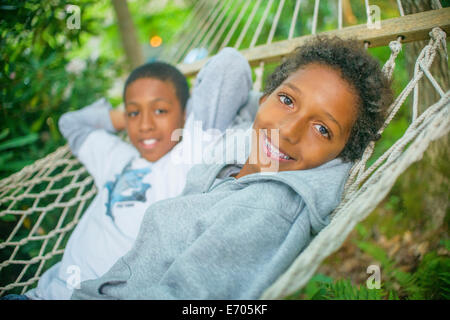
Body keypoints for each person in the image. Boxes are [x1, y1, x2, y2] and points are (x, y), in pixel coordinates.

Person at [71, 35, 394, 300]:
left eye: (323, 130)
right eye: (287, 100)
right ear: (264, 97)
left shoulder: (269, 207)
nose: (288, 131)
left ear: (340, 155)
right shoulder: (238, 156)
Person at [22, 48, 254, 300]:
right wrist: (135, 113)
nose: (145, 126)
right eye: (134, 114)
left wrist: (182, 115)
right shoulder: (115, 158)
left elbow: (229, 65)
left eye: (160, 111)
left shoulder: (191, 153)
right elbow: (71, 123)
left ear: (186, 114)